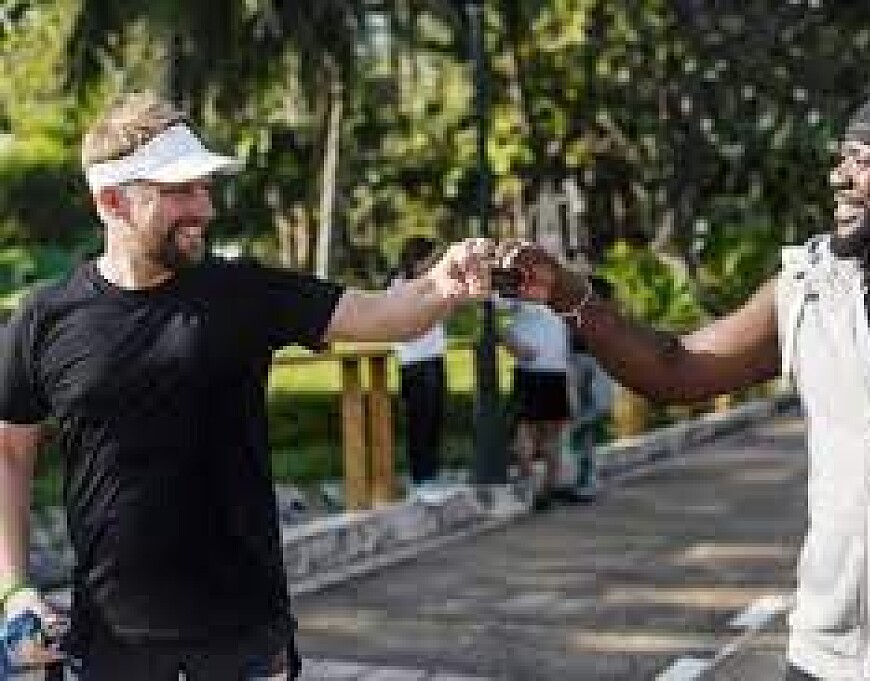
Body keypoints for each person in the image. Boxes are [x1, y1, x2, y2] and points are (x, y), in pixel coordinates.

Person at [498, 81, 870, 679]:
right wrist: (571, 297)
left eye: (865, 162)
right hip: (826, 659)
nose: (840, 178)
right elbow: (677, 368)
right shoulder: (812, 287)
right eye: (842, 159)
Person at [0, 91, 494, 680]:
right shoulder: (45, 319)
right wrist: (15, 591)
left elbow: (385, 315)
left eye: (205, 188)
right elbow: (9, 451)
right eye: (181, 190)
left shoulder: (244, 294)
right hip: (107, 644)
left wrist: (445, 283)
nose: (205, 208)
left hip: (246, 640)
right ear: (112, 200)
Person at [500, 297, 572, 511]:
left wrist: (508, 338)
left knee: (531, 429)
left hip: (542, 370)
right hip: (549, 369)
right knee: (544, 432)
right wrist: (510, 338)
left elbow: (494, 310)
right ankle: (544, 488)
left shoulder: (524, 291)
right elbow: (495, 312)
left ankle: (535, 487)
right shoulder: (550, 294)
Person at [390, 236, 448, 498]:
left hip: (434, 358)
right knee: (420, 422)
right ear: (417, 259)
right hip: (414, 362)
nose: (435, 263)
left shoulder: (432, 283)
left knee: (435, 420)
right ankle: (421, 478)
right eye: (431, 258)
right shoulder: (399, 286)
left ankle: (431, 474)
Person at [556, 275, 616, 502]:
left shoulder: (605, 296)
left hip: (600, 360)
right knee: (579, 423)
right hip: (575, 360)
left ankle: (584, 481)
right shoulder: (571, 302)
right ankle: (581, 482)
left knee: (597, 410)